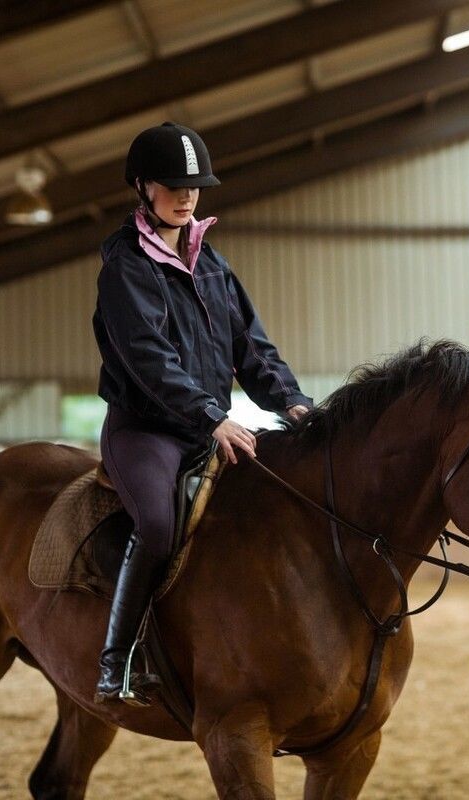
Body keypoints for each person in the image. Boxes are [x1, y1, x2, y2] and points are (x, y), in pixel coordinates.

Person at [91, 121, 313, 704]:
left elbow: (251, 348)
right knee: (160, 525)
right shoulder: (125, 266)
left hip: (208, 422)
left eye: (196, 186)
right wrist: (213, 417)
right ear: (142, 187)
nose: (188, 196)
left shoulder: (212, 263)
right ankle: (118, 658)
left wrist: (290, 400)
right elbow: (149, 358)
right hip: (147, 430)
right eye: (174, 185)